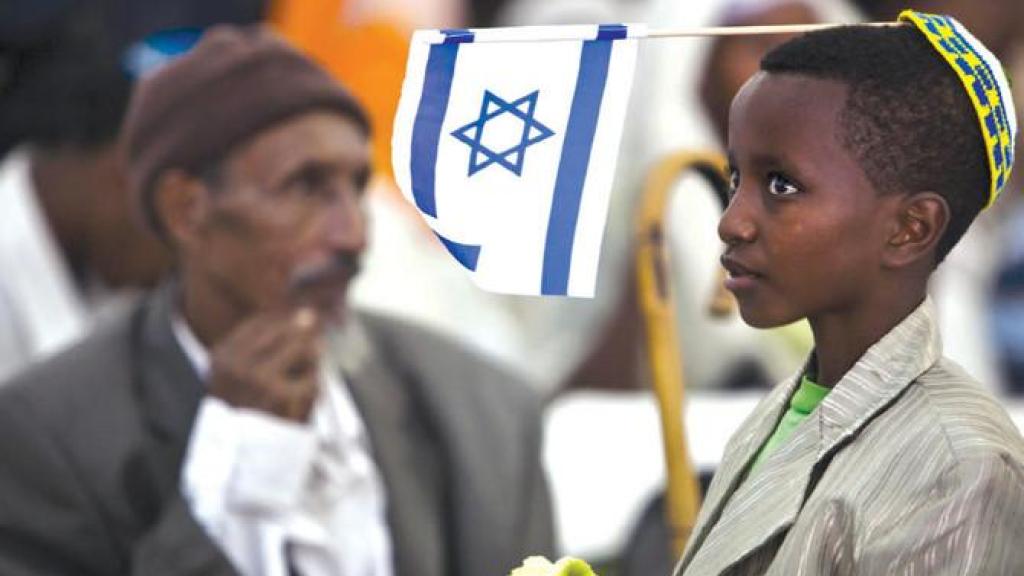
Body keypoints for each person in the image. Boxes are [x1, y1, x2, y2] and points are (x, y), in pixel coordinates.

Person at [0, 25, 553, 576]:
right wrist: (238, 481)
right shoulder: (47, 438)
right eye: (307, 188)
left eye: (355, 188)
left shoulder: (484, 411)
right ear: (185, 210)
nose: (353, 235)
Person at [675, 12, 1024, 575]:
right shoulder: (781, 411)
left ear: (910, 229)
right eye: (735, 177)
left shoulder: (957, 467)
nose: (732, 222)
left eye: (782, 186)